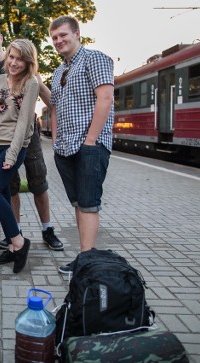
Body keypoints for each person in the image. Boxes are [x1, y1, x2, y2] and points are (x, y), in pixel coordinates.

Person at [0, 21, 64, 252]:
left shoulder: (28, 73)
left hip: (27, 136)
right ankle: (14, 232)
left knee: (38, 181)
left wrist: (35, 77)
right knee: (10, 186)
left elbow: (49, 101)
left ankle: (47, 228)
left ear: (0, 38)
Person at [48, 16, 114, 274]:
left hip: (89, 146)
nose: (58, 41)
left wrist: (91, 140)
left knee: (88, 204)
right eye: (54, 38)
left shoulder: (95, 59)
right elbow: (53, 107)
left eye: (63, 35)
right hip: (64, 148)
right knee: (78, 204)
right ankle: (83, 257)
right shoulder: (58, 72)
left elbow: (105, 98)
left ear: (77, 33)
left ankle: (86, 264)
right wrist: (54, 139)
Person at [0, 39, 39, 273]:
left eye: (20, 59)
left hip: (11, 146)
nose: (14, 63)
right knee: (3, 194)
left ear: (28, 62)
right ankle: (13, 248)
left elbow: (25, 122)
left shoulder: (31, 82)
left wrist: (12, 154)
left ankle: (19, 241)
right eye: (12, 57)